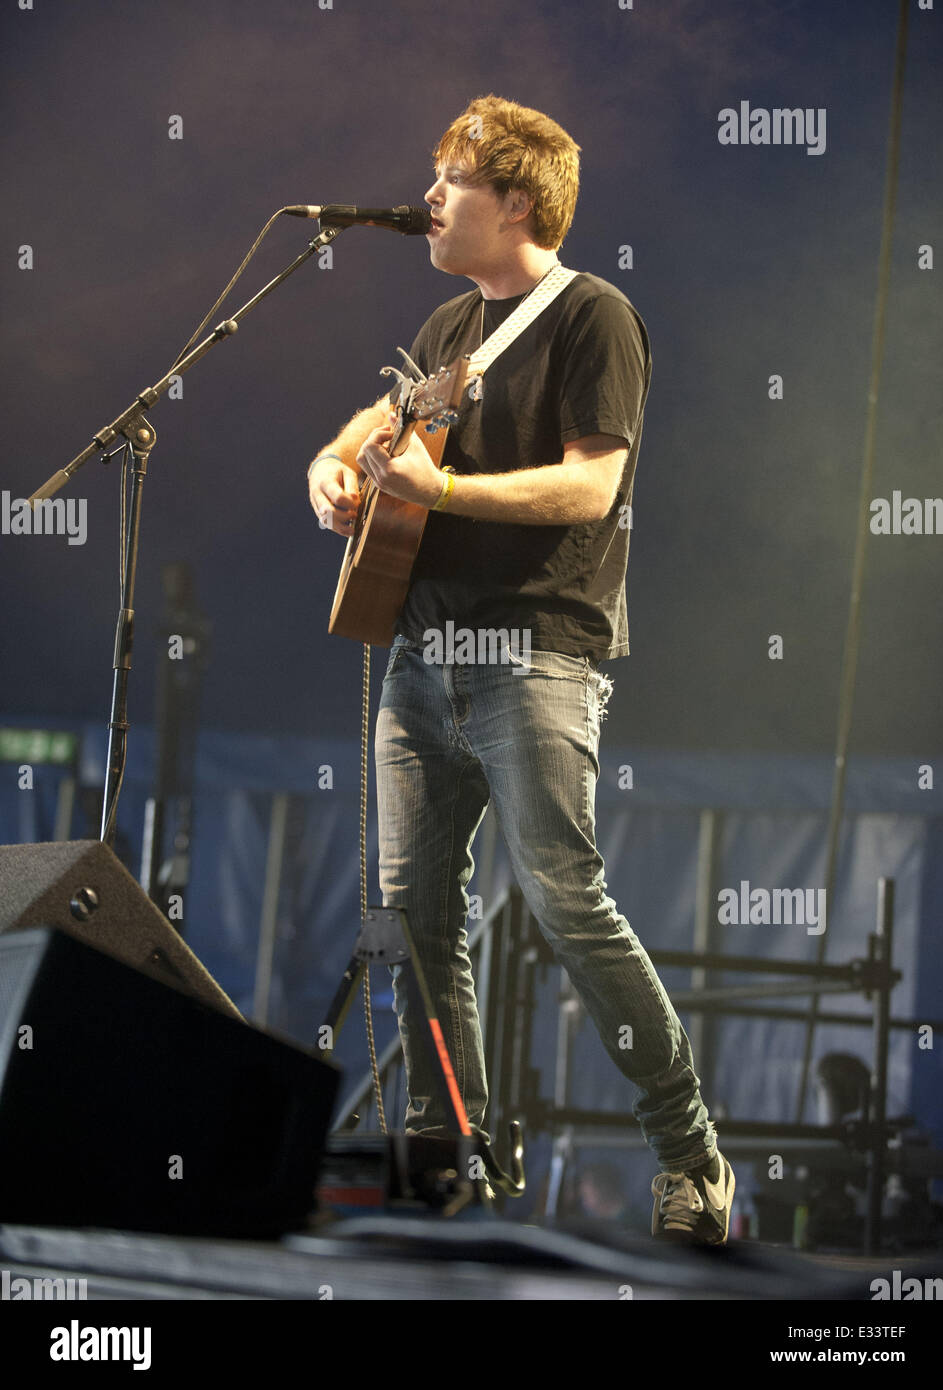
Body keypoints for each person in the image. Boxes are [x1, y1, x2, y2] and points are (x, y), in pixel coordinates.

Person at [307, 95, 734, 1244]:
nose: (428, 198)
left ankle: (689, 1152)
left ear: (515, 202)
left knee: (562, 899)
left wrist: (438, 492)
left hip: (536, 654)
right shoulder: (452, 327)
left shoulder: (595, 316)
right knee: (413, 919)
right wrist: (332, 469)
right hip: (419, 659)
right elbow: (369, 428)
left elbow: (592, 485)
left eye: (449, 180)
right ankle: (462, 1169)